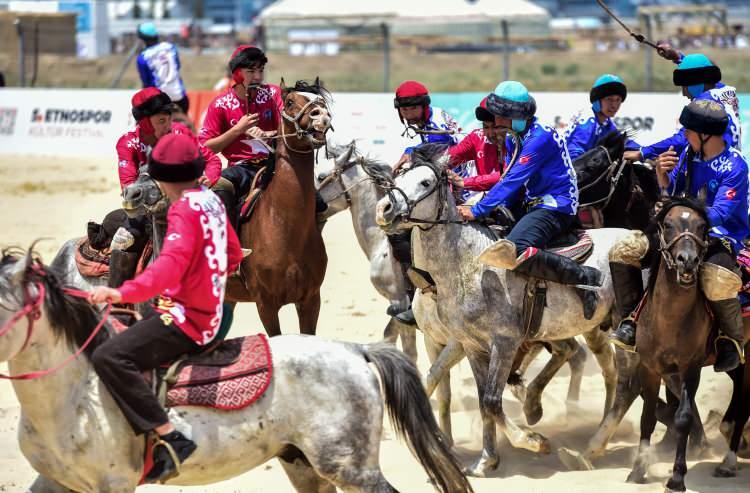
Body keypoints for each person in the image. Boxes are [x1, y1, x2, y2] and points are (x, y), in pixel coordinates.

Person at [89, 133, 243, 482]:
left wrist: (120, 292)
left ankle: (170, 438)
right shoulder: (210, 200)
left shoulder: (183, 210)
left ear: (161, 177)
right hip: (217, 313)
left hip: (189, 320)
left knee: (108, 356)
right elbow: (233, 253)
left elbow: (168, 267)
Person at [609, 99, 747, 372]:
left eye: (688, 131)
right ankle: (631, 321)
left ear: (705, 135)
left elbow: (718, 214)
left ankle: (731, 340)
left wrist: (678, 211)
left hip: (720, 237)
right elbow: (673, 194)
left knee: (719, 279)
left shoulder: (735, 166)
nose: (683, 135)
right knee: (623, 250)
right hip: (679, 230)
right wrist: (662, 176)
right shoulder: (688, 154)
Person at [456, 81, 603, 320]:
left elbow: (512, 180)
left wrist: (478, 209)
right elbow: (510, 183)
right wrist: (494, 210)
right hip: (533, 203)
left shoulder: (540, 137)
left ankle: (584, 276)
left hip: (556, 206)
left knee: (515, 249)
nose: (495, 122)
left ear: (515, 117)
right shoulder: (515, 136)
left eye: (500, 117)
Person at [111, 87, 221, 289]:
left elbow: (212, 160)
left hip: (183, 206)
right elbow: (128, 186)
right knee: (122, 239)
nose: (169, 126)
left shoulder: (181, 132)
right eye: (161, 121)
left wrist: (209, 178)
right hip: (146, 211)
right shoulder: (128, 143)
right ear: (145, 123)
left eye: (169, 119)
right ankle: (115, 302)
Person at [199, 45, 286, 227]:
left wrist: (269, 134)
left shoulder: (273, 94)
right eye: (251, 71)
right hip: (240, 169)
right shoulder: (220, 104)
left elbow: (289, 130)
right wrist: (237, 130)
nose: (258, 77)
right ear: (237, 74)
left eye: (261, 70)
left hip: (275, 164)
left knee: (318, 201)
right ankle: (228, 246)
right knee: (219, 186)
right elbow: (205, 147)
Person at [624, 53, 741, 162]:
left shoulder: (704, 105)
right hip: (731, 162)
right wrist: (678, 57)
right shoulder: (726, 91)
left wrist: (642, 153)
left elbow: (682, 140)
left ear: (697, 83)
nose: (684, 93)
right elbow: (702, 70)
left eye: (684, 87)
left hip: (712, 170)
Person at [565, 74, 640, 161]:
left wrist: (646, 153)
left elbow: (623, 143)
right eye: (609, 99)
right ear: (597, 100)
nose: (614, 105)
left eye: (618, 100)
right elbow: (574, 157)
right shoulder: (588, 123)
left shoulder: (606, 123)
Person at [445, 96, 506, 202]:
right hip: (485, 200)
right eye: (486, 127)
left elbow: (506, 175)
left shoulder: (517, 140)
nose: (491, 134)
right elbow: (450, 157)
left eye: (496, 127)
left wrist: (464, 182)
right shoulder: (476, 137)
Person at [392, 80, 460, 172]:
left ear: (424, 106)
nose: (409, 114)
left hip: (464, 171)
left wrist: (410, 151)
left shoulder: (436, 119)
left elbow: (438, 145)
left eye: (414, 108)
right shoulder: (425, 119)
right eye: (404, 109)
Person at [136, 23, 189, 114]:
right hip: (180, 97)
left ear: (142, 39)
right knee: (183, 127)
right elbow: (177, 66)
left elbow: (146, 84)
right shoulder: (170, 47)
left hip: (160, 101)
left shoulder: (143, 57)